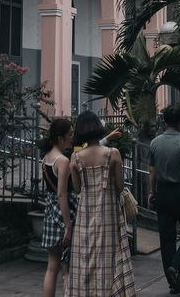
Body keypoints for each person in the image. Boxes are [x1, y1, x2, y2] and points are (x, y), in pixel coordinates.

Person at [68, 111, 135, 296]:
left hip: (85, 214)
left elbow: (77, 189)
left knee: (85, 256)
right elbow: (120, 186)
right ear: (98, 127)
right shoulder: (113, 154)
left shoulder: (75, 158)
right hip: (109, 212)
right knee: (110, 258)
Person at [148, 105, 180, 295]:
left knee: (167, 237)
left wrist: (151, 191)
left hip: (162, 192)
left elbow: (152, 171)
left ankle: (173, 282)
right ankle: (176, 269)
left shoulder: (155, 143)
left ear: (165, 121)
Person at [41, 117, 76, 297]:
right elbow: (62, 194)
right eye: (70, 134)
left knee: (51, 267)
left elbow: (52, 192)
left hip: (50, 214)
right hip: (63, 215)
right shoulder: (62, 161)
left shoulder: (46, 158)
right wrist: (68, 225)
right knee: (68, 267)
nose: (72, 137)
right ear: (61, 138)